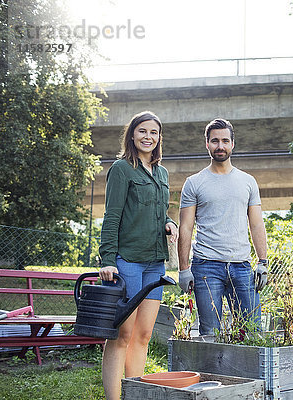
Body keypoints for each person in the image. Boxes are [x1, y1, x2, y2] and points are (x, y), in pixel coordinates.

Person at [98, 111, 178, 400]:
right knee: (122, 336)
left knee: (143, 335)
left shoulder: (162, 173)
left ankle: (134, 393)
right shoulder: (121, 169)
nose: (148, 137)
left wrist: (169, 222)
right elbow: (112, 216)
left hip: (154, 264)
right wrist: (108, 259)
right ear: (132, 135)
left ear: (159, 138)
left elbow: (157, 212)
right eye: (143, 131)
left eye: (154, 132)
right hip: (127, 261)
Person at [177, 118, 268, 336]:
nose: (220, 146)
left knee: (252, 332)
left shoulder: (248, 181)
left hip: (242, 267)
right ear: (207, 144)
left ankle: (247, 372)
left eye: (225, 141)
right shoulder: (194, 182)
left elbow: (256, 224)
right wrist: (183, 269)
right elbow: (186, 228)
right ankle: (211, 372)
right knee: (210, 332)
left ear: (232, 144)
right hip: (206, 267)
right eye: (215, 141)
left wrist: (263, 262)